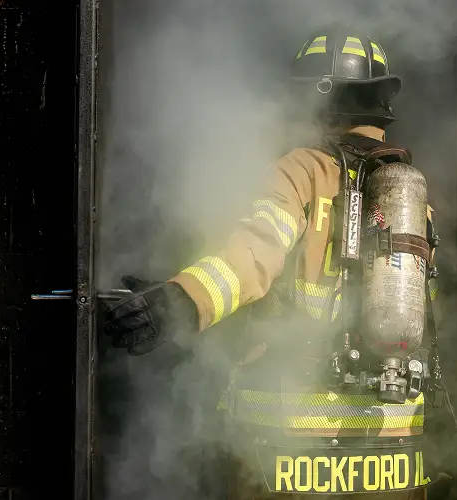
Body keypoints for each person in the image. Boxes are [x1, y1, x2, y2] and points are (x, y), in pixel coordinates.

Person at [104, 27, 435, 499]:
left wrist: (176, 302)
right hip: (395, 450)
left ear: (316, 99)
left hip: (291, 446)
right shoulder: (413, 200)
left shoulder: (299, 170)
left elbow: (254, 260)